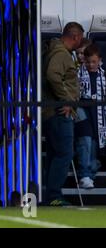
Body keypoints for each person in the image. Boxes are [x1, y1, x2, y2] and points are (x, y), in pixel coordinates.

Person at [42, 21, 84, 206]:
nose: (80, 43)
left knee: (55, 154)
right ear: (74, 36)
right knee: (64, 153)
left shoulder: (55, 51)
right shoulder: (61, 53)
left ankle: (51, 196)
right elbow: (53, 75)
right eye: (80, 39)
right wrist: (66, 100)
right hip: (60, 113)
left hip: (51, 112)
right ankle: (54, 196)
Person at [75, 43, 104, 188]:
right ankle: (84, 174)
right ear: (84, 60)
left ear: (99, 60)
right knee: (85, 139)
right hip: (81, 107)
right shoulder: (77, 73)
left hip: (98, 111)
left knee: (94, 141)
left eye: (94, 61)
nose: (91, 65)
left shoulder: (103, 75)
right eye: (88, 62)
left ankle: (90, 172)